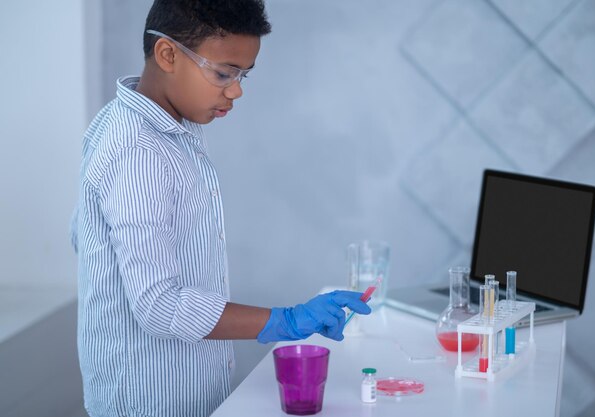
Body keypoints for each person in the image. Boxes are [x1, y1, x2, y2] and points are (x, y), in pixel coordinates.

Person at [69, 1, 371, 416]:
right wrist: (283, 321)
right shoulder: (138, 150)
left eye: (243, 75)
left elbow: (84, 238)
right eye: (223, 73)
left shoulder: (154, 127)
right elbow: (158, 304)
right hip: (150, 400)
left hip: (188, 389)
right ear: (168, 54)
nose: (236, 90)